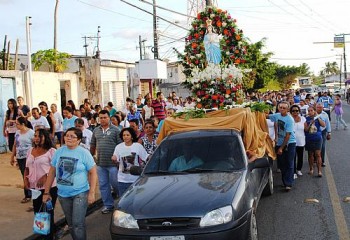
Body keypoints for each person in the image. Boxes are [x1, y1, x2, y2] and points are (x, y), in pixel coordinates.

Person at [43, 127, 97, 240]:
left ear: (79, 140)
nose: (69, 138)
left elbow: (93, 173)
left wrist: (92, 192)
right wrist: (46, 192)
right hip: (63, 195)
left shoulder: (84, 153)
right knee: (71, 224)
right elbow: (52, 172)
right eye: (67, 135)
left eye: (72, 136)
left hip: (80, 193)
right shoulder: (59, 151)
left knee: (77, 224)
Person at [24, 129, 57, 240]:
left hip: (49, 188)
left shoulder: (52, 151)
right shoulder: (30, 150)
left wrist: (46, 176)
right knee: (38, 214)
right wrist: (25, 180)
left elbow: (57, 169)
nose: (36, 138)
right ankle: (43, 236)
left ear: (45, 137)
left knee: (47, 214)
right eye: (35, 136)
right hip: (34, 189)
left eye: (40, 136)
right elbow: (27, 167)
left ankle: (49, 237)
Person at [90, 110, 122, 214]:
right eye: (101, 118)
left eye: (105, 117)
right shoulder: (96, 131)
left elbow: (121, 146)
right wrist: (91, 156)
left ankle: (122, 203)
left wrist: (118, 160)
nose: (103, 119)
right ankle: (108, 205)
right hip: (100, 163)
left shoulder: (116, 130)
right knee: (103, 185)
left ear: (109, 118)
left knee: (116, 184)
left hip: (113, 164)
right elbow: (93, 145)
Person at [267, 101, 296, 191]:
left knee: (289, 163)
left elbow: (288, 135)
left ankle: (288, 183)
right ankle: (285, 180)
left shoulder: (290, 120)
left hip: (289, 143)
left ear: (287, 109)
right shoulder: (277, 116)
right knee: (282, 163)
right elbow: (266, 116)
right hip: (279, 142)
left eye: (284, 108)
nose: (282, 109)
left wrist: (281, 148)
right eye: (280, 107)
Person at [112, 127, 148, 196]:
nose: (125, 137)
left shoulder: (138, 146)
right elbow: (115, 160)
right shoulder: (118, 147)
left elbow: (146, 157)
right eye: (124, 135)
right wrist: (114, 159)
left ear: (132, 136)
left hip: (135, 180)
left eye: (127, 135)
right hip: (122, 180)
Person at [11, 117, 34, 204]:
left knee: (29, 175)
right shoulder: (17, 132)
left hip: (28, 157)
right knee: (24, 175)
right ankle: (28, 194)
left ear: (23, 124)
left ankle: (31, 194)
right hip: (20, 157)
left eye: (17, 124)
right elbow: (15, 145)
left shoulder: (31, 133)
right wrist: (12, 156)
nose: (16, 125)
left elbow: (35, 144)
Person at [304, 106, 325, 177]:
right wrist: (310, 124)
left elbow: (323, 125)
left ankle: (319, 171)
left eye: (311, 110)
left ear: (314, 111)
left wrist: (317, 118)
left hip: (317, 138)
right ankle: (311, 169)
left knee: (318, 154)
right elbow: (306, 130)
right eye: (308, 111)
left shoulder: (318, 118)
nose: (309, 112)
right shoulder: (306, 119)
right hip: (309, 138)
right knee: (310, 154)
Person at [290, 105, 306, 178]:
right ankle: (293, 172)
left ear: (299, 111)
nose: (295, 112)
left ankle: (299, 169)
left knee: (300, 156)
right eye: (293, 111)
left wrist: (312, 124)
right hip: (291, 141)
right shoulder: (289, 119)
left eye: (296, 110)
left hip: (301, 140)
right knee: (292, 157)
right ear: (291, 112)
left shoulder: (303, 119)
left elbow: (306, 129)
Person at [315, 103, 331, 167]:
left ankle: (322, 161)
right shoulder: (312, 113)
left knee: (322, 146)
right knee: (314, 146)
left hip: (322, 131)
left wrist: (329, 133)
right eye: (318, 107)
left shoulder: (325, 114)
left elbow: (328, 124)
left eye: (320, 107)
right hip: (314, 132)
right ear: (316, 108)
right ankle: (315, 159)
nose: (319, 109)